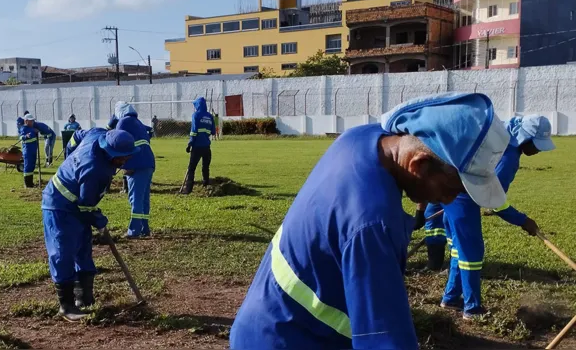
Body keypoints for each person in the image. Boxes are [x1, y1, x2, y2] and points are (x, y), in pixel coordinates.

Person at [230, 93, 510, 350]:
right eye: (451, 190)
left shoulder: (361, 139)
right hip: (288, 339)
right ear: (419, 165)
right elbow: (384, 342)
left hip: (266, 322)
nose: (449, 200)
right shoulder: (372, 224)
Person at [426, 114, 554, 321]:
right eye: (537, 145)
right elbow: (494, 202)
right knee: (471, 254)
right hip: (462, 196)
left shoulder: (502, 136)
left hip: (448, 190)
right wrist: (523, 221)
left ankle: (450, 299)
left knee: (459, 250)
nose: (538, 151)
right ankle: (472, 309)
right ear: (525, 139)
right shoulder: (508, 157)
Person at [42, 129, 140, 322]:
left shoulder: (97, 133)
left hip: (77, 204)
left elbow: (76, 135)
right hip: (59, 206)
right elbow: (87, 207)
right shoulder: (95, 170)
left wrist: (70, 156)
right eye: (121, 159)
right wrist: (100, 222)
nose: (124, 162)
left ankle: (84, 299)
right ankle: (67, 306)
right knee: (64, 252)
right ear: (109, 153)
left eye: (127, 157)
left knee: (83, 248)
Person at [114, 102, 156, 238]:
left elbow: (120, 143)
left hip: (137, 163)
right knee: (143, 198)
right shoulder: (137, 122)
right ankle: (145, 228)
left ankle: (134, 231)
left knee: (135, 198)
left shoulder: (123, 122)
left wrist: (126, 165)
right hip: (148, 161)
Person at [181, 97, 215, 194]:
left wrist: (190, 144)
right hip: (207, 147)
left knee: (191, 168)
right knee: (205, 167)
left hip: (197, 146)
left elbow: (194, 131)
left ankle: (188, 189)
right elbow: (213, 131)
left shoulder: (196, 115)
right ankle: (206, 184)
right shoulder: (210, 116)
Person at [19, 114, 40, 188]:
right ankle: (27, 184)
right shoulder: (23, 128)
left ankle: (31, 183)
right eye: (30, 121)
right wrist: (26, 136)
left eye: (32, 121)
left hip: (33, 150)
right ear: (26, 121)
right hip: (28, 150)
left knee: (32, 166)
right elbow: (21, 137)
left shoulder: (32, 128)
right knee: (28, 166)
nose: (32, 122)